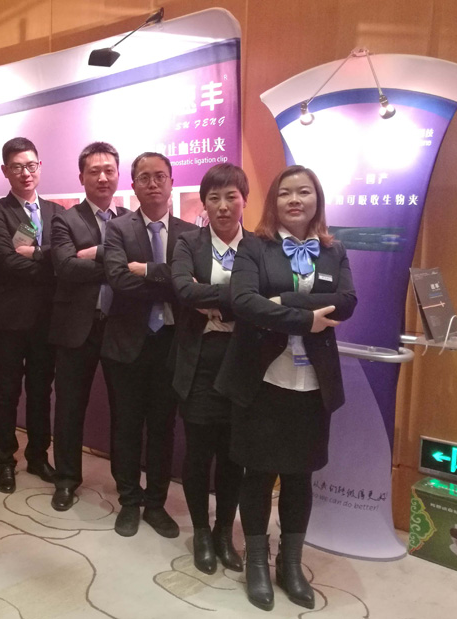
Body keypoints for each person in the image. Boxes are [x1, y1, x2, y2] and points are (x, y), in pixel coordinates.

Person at [220, 165, 357, 611]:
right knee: (258, 473)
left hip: (313, 383)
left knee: (300, 475)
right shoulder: (255, 247)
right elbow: (243, 301)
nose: (294, 199)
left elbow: (347, 303)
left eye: (304, 192)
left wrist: (283, 302)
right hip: (262, 379)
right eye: (285, 193)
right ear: (273, 202)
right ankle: (257, 563)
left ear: (317, 199)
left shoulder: (334, 250)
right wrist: (306, 318)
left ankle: (290, 563)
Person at [101, 152, 196, 538]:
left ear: (172, 183)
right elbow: (119, 280)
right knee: (125, 426)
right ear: (134, 185)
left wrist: (151, 271)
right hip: (126, 344)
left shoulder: (189, 233)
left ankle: (155, 503)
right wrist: (172, 281)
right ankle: (128, 500)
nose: (153, 183)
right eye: (144, 177)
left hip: (171, 345)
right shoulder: (118, 229)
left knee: (162, 427)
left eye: (160, 176)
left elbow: (192, 287)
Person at [170, 163, 251, 574]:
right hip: (200, 360)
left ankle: (223, 532)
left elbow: (267, 296)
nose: (222, 206)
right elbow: (183, 289)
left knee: (234, 455)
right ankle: (202, 532)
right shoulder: (189, 242)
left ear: (244, 200)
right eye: (213, 198)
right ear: (203, 203)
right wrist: (240, 300)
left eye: (231, 196)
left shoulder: (258, 247)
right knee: (199, 453)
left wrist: (215, 300)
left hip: (243, 362)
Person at [49, 142, 127, 512]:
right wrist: (118, 265)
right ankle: (66, 479)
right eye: (94, 171)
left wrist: (96, 254)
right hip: (77, 327)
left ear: (118, 174)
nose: (102, 177)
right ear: (81, 177)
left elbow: (140, 264)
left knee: (125, 410)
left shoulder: (129, 219)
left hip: (120, 328)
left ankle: (127, 486)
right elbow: (65, 266)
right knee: (69, 408)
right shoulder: (65, 220)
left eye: (109, 170)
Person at [0, 137, 64, 494]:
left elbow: (62, 257)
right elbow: (7, 260)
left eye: (31, 165)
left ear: (40, 167)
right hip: (9, 319)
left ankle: (37, 455)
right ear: (6, 171)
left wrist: (40, 256)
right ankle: (5, 459)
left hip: (47, 319)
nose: (25, 173)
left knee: (40, 391)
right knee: (6, 392)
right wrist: (49, 266)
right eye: (17, 167)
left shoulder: (55, 212)